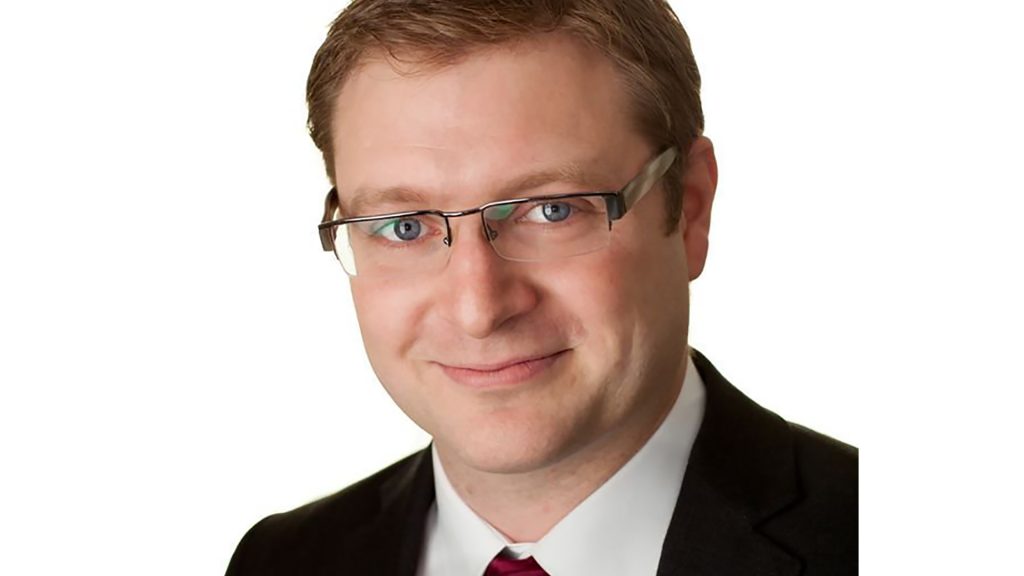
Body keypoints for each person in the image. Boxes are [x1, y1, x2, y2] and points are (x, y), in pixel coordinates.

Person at [226, 1, 857, 574]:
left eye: (552, 211)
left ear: (689, 207)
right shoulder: (282, 561)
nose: (478, 309)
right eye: (404, 226)